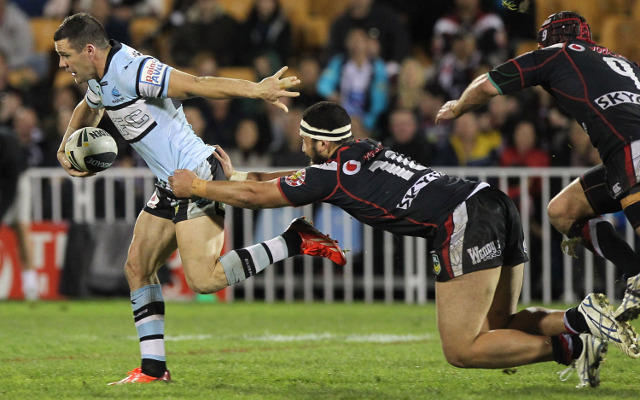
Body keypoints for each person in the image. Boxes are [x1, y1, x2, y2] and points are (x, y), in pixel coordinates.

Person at [170, 101, 640, 388]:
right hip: (492, 202)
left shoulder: (332, 175)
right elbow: (283, 180)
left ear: (318, 144)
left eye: (303, 141)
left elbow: (259, 196)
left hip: (461, 221)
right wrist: (233, 176)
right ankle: (577, 330)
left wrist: (201, 189)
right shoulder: (361, 150)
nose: (300, 147)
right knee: (500, 324)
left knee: (462, 349)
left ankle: (577, 331)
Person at [53, 13, 347, 385]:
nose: (62, 64)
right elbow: (89, 107)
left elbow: (196, 84)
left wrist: (255, 90)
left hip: (195, 174)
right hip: (170, 182)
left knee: (204, 281)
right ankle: (153, 370)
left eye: (65, 55)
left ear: (89, 50)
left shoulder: (134, 69)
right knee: (137, 268)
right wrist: (65, 150)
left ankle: (294, 239)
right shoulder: (99, 76)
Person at [434, 11, 640, 323]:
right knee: (563, 210)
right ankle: (635, 273)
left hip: (631, 151)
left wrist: (459, 106)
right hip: (621, 155)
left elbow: (489, 84)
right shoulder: (624, 63)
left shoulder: (556, 53)